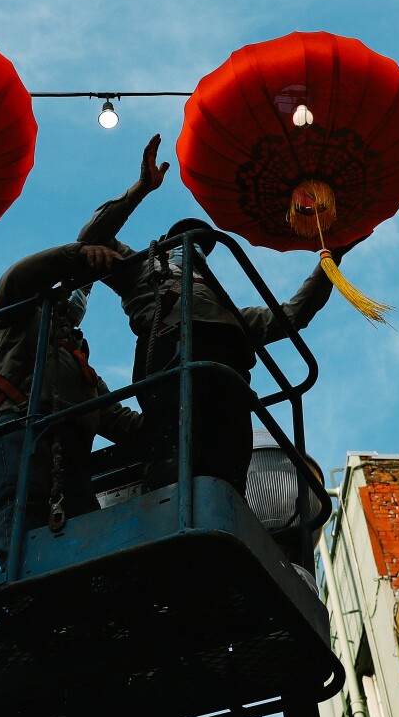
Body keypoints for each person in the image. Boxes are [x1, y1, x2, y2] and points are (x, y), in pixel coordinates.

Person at [78, 135, 343, 494]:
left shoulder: (231, 312)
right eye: (184, 239)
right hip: (168, 357)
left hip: (230, 375)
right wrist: (142, 188)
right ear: (164, 242)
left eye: (202, 244)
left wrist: (331, 260)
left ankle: (223, 509)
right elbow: (92, 236)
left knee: (228, 462)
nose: (193, 248)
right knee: (173, 446)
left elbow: (293, 315)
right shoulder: (142, 270)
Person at [0, 240, 143, 566]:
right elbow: (16, 278)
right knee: (20, 511)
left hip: (72, 456)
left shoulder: (84, 372)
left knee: (88, 531)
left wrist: (183, 413)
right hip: (21, 429)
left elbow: (121, 421)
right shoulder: (17, 321)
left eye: (86, 293)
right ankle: (17, 588)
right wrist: (75, 256)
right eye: (77, 288)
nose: (81, 296)